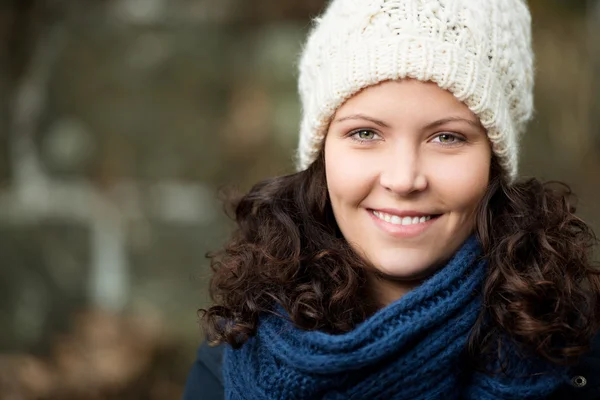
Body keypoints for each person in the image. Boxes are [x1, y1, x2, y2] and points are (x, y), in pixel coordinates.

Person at [184, 0, 600, 398]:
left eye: (447, 137)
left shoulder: (577, 355)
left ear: (493, 161)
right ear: (322, 153)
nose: (403, 179)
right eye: (365, 133)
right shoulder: (233, 354)